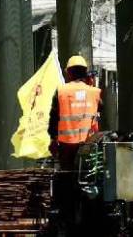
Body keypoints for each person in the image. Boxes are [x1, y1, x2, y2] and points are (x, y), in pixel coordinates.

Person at [48, 55, 102, 228]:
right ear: (85, 73)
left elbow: (54, 117)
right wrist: (90, 85)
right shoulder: (95, 92)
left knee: (68, 181)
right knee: (89, 181)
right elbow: (100, 108)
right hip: (89, 146)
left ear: (69, 73)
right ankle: (89, 219)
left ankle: (68, 219)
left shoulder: (62, 91)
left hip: (67, 146)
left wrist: (53, 139)